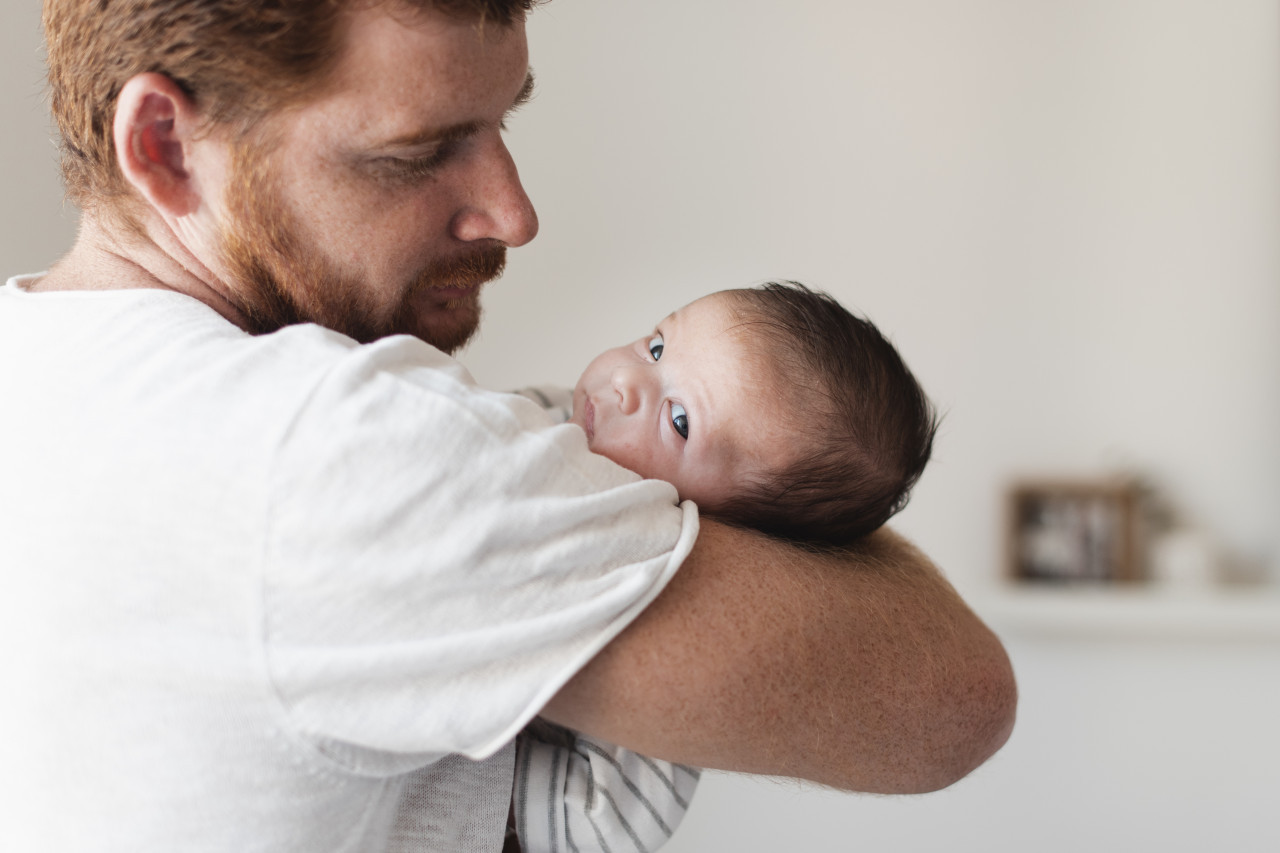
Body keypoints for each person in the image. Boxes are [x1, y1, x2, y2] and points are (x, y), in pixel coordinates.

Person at [0, 2, 1016, 852]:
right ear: (165, 148)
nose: (512, 210)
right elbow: (952, 702)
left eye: (498, 125)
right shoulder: (341, 446)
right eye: (420, 151)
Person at [511, 281, 940, 853]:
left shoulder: (671, 597)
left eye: (681, 421)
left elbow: (605, 822)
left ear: (732, 535)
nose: (627, 383)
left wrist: (496, 769)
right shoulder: (544, 413)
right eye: (658, 347)